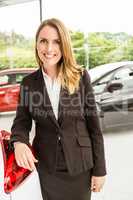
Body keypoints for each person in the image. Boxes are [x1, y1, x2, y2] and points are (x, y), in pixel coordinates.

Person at [10, 18, 106, 200]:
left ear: (65, 45)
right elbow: (21, 123)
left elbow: (95, 128)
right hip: (46, 168)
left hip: (80, 167)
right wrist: (19, 143)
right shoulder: (28, 83)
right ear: (37, 44)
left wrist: (100, 170)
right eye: (43, 41)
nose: (49, 49)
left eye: (56, 42)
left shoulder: (80, 76)